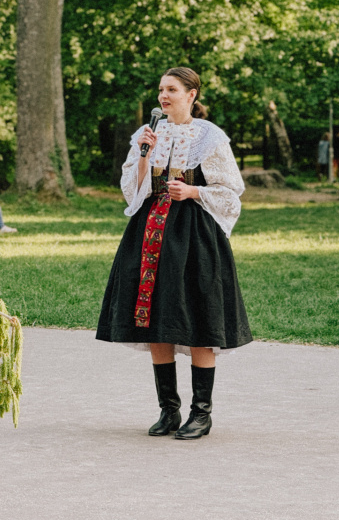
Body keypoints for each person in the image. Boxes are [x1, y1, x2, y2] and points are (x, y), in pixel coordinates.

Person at [96, 67, 251, 441]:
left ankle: (202, 413)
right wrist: (145, 155)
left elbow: (233, 191)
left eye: (172, 90)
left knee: (198, 316)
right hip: (150, 234)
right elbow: (132, 189)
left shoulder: (210, 137)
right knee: (156, 319)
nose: (163, 96)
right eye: (161, 90)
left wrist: (194, 193)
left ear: (191, 95)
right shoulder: (146, 135)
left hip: (195, 234)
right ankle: (169, 409)